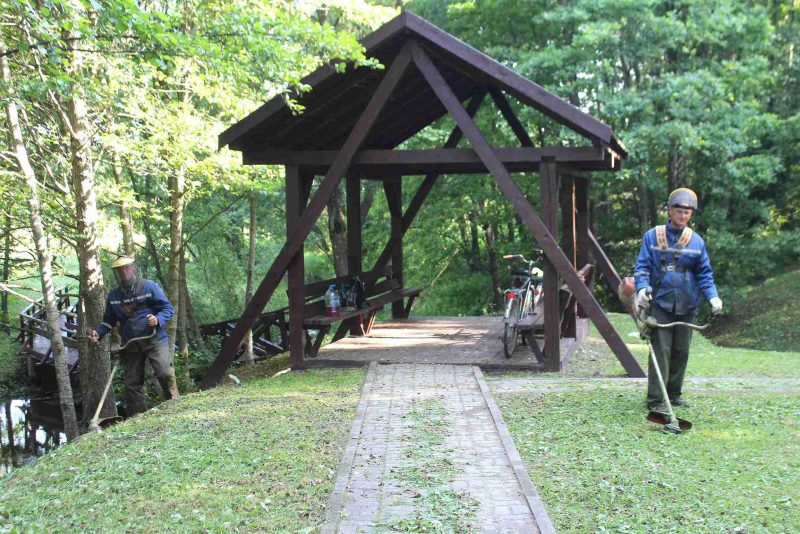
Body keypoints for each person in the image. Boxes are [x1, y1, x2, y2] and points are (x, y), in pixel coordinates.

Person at [634, 188, 722, 411]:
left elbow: (704, 274)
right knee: (661, 351)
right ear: (670, 210)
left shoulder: (696, 242)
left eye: (687, 212)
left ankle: (673, 394)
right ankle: (656, 399)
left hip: (687, 303)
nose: (683, 216)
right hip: (660, 303)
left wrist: (713, 297)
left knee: (681, 351)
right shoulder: (653, 236)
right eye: (679, 211)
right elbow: (642, 267)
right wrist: (643, 288)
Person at [88, 255, 178, 416]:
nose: (124, 271)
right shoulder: (114, 296)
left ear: (133, 267)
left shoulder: (149, 287)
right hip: (130, 344)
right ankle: (139, 417)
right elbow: (108, 321)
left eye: (127, 267)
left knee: (165, 373)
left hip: (154, 339)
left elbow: (168, 309)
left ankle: (174, 405)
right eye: (120, 269)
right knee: (132, 384)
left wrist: (157, 319)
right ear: (116, 272)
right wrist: (98, 333)